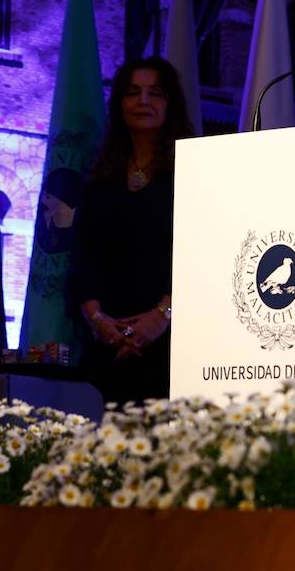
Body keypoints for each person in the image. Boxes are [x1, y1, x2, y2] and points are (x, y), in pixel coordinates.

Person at [67, 56, 193, 405]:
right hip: (106, 346)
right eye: (133, 92)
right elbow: (83, 258)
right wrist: (99, 321)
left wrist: (162, 317)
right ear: (120, 103)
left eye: (155, 93)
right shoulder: (99, 178)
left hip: (173, 346)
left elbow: (199, 256)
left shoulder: (191, 173)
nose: (143, 101)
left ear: (171, 105)